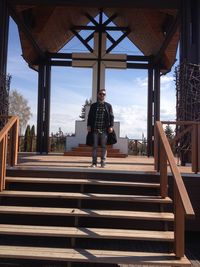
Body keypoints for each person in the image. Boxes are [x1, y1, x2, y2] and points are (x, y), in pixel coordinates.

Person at [87, 89, 114, 168]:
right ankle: (94, 163)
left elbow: (112, 116)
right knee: (94, 146)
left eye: (103, 94)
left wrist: (111, 126)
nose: (102, 95)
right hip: (95, 129)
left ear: (105, 96)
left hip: (104, 130)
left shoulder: (108, 106)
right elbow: (90, 116)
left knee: (104, 147)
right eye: (100, 94)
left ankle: (103, 162)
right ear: (98, 95)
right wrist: (88, 126)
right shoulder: (93, 105)